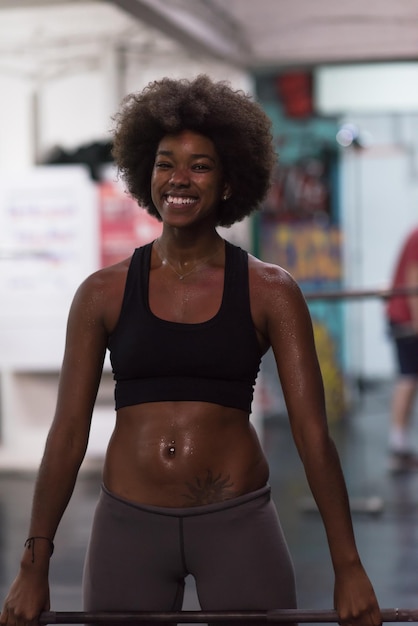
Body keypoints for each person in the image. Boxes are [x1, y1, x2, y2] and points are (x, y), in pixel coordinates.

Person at [1, 75, 381, 626]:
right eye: (164, 163)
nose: (179, 179)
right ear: (145, 173)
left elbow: (312, 435)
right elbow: (67, 435)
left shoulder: (270, 290)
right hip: (128, 527)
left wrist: (349, 567)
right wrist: (33, 566)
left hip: (237, 522)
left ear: (229, 182)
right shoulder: (101, 293)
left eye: (200, 165)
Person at [386, 226, 418, 472]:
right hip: (406, 319)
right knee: (407, 378)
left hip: (406, 316)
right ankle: (398, 448)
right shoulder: (417, 236)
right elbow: (413, 284)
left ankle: (400, 447)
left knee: (409, 378)